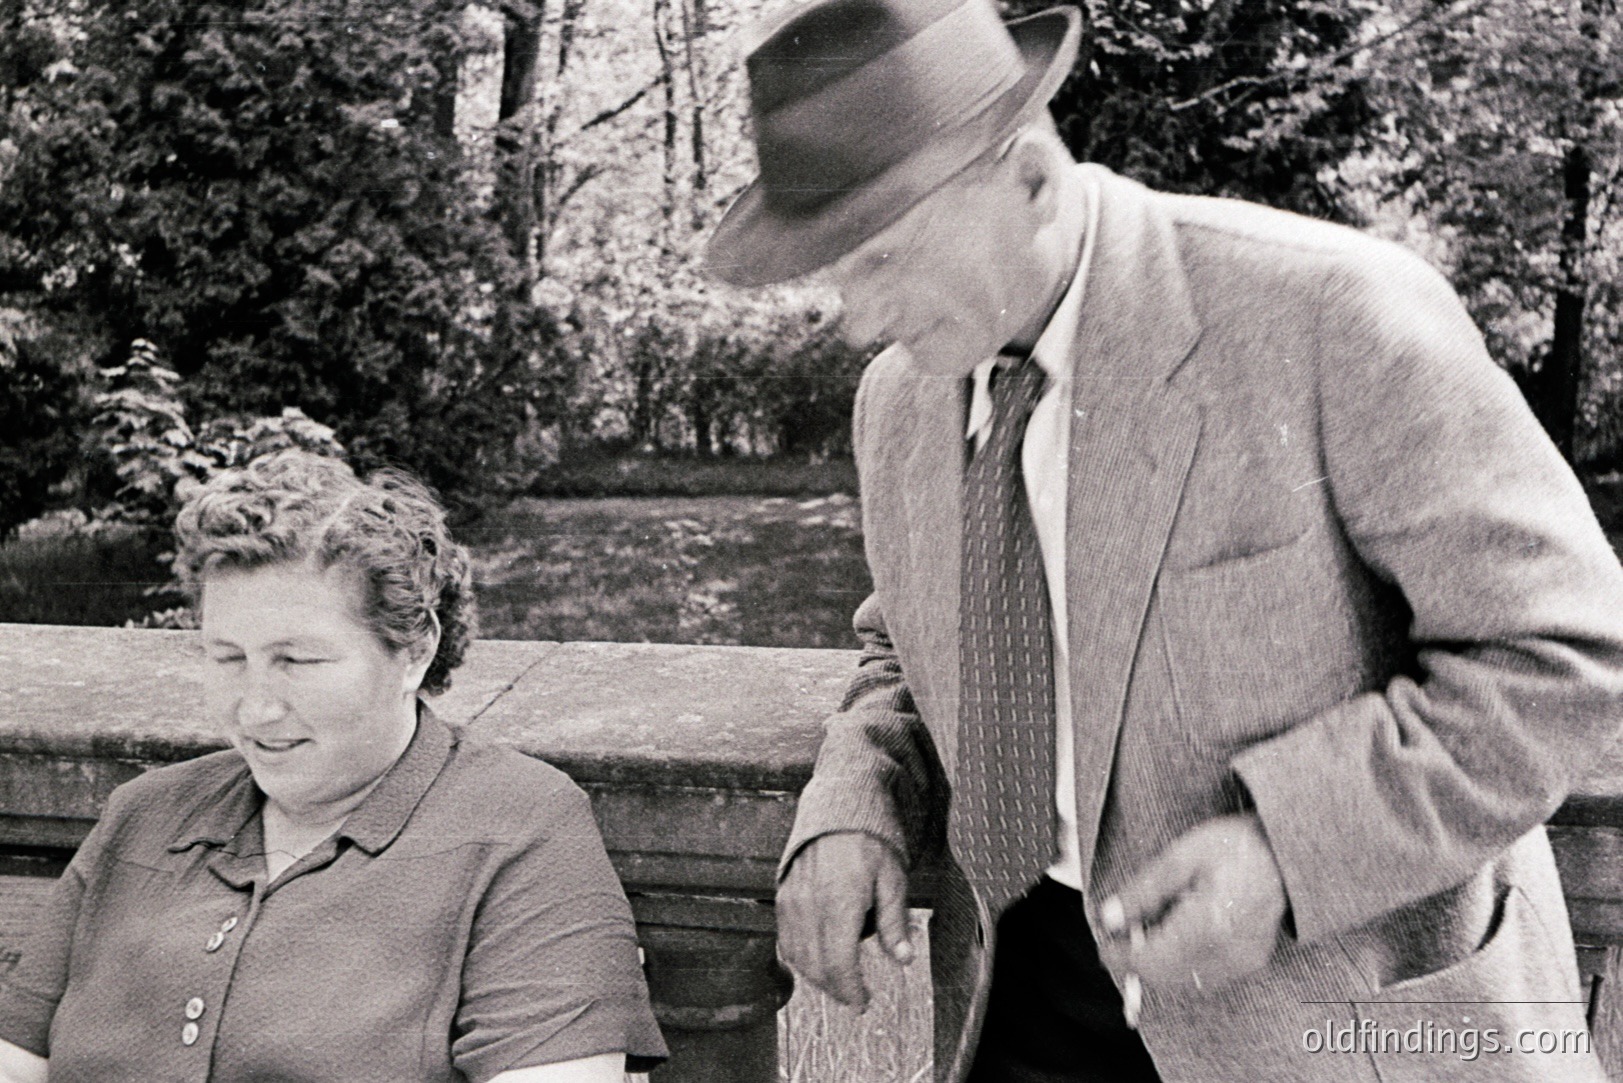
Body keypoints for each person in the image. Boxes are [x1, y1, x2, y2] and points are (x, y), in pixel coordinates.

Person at [704, 0, 1623, 1080]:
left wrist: (1286, 852)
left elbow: (1573, 654)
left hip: (1340, 1018)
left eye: (886, 258)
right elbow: (907, 648)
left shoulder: (1336, 315)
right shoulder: (897, 403)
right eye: (835, 272)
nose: (858, 320)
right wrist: (856, 804)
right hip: (1020, 997)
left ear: (1031, 178)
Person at [0, 450, 667, 1083]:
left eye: (298, 661)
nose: (255, 709)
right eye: (227, 657)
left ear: (414, 650)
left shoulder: (520, 828)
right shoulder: (145, 814)